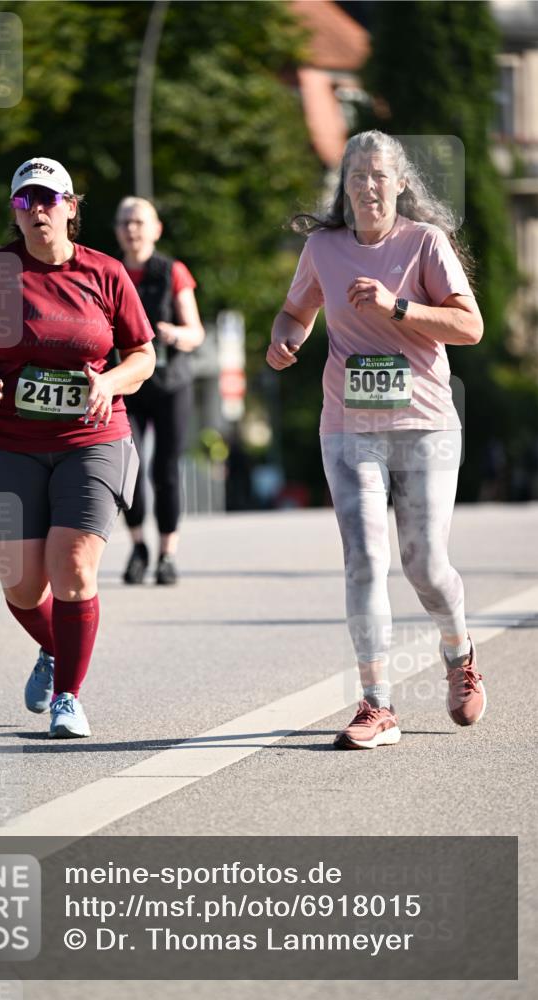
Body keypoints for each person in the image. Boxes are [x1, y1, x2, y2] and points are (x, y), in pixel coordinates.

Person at [267, 130, 486, 750]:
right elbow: (295, 312)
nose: (368, 186)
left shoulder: (425, 243)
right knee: (364, 558)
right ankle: (376, 703)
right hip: (348, 427)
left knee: (425, 563)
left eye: (379, 175)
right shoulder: (323, 248)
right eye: (357, 175)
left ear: (401, 184)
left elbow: (470, 325)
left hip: (424, 425)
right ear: (344, 186)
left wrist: (398, 309)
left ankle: (459, 652)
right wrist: (285, 338)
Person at [0, 157, 155, 739]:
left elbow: (143, 356)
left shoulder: (106, 272)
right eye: (25, 201)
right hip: (8, 440)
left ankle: (68, 697)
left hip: (92, 438)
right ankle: (57, 647)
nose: (36, 210)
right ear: (15, 213)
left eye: (48, 199)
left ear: (70, 207)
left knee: (72, 565)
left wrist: (108, 383)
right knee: (21, 586)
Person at [114, 197, 205, 585]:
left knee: (165, 470)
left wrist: (175, 333)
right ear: (117, 231)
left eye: (139, 222)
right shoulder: (109, 271)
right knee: (128, 469)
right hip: (126, 385)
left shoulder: (173, 272)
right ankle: (138, 547)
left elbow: (196, 332)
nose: (132, 229)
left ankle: (167, 553)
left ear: (156, 229)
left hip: (170, 384)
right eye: (125, 222)